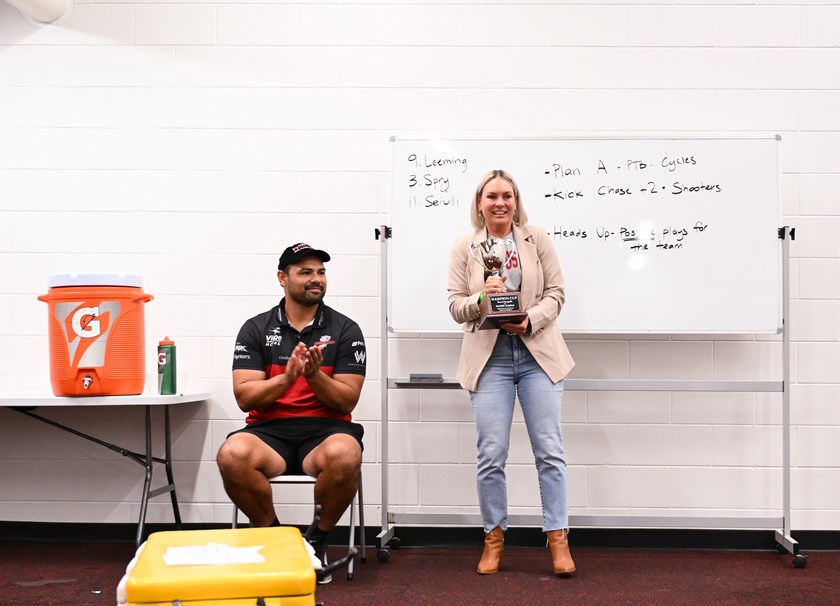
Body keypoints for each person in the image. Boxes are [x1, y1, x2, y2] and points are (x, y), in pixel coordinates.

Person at [447, 169, 576, 577]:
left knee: (550, 452)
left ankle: (558, 538)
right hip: (491, 361)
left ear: (516, 201)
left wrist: (530, 320)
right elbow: (455, 307)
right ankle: (494, 539)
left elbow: (557, 294)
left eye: (507, 195)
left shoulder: (536, 238)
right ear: (480, 203)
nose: (499, 202)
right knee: (491, 455)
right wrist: (483, 295)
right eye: (491, 196)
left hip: (538, 355)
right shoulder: (465, 246)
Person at [216, 242, 367, 584]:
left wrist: (313, 377)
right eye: (306, 273)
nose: (317, 279)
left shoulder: (346, 329)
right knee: (231, 455)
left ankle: (315, 543)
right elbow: (244, 396)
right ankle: (278, 541)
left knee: (346, 454)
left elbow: (346, 402)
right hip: (270, 430)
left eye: (321, 272)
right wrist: (286, 379)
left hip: (326, 430)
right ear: (283, 278)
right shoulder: (255, 328)